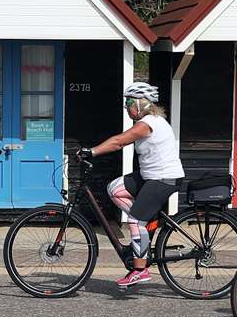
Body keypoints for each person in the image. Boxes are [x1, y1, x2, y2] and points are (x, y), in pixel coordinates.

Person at [79, 82, 185, 288]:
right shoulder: (146, 121)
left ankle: (140, 269)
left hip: (164, 178)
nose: (126, 107)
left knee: (135, 220)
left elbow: (119, 141)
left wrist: (91, 151)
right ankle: (144, 225)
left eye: (128, 102)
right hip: (149, 176)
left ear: (140, 104)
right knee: (115, 189)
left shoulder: (149, 123)